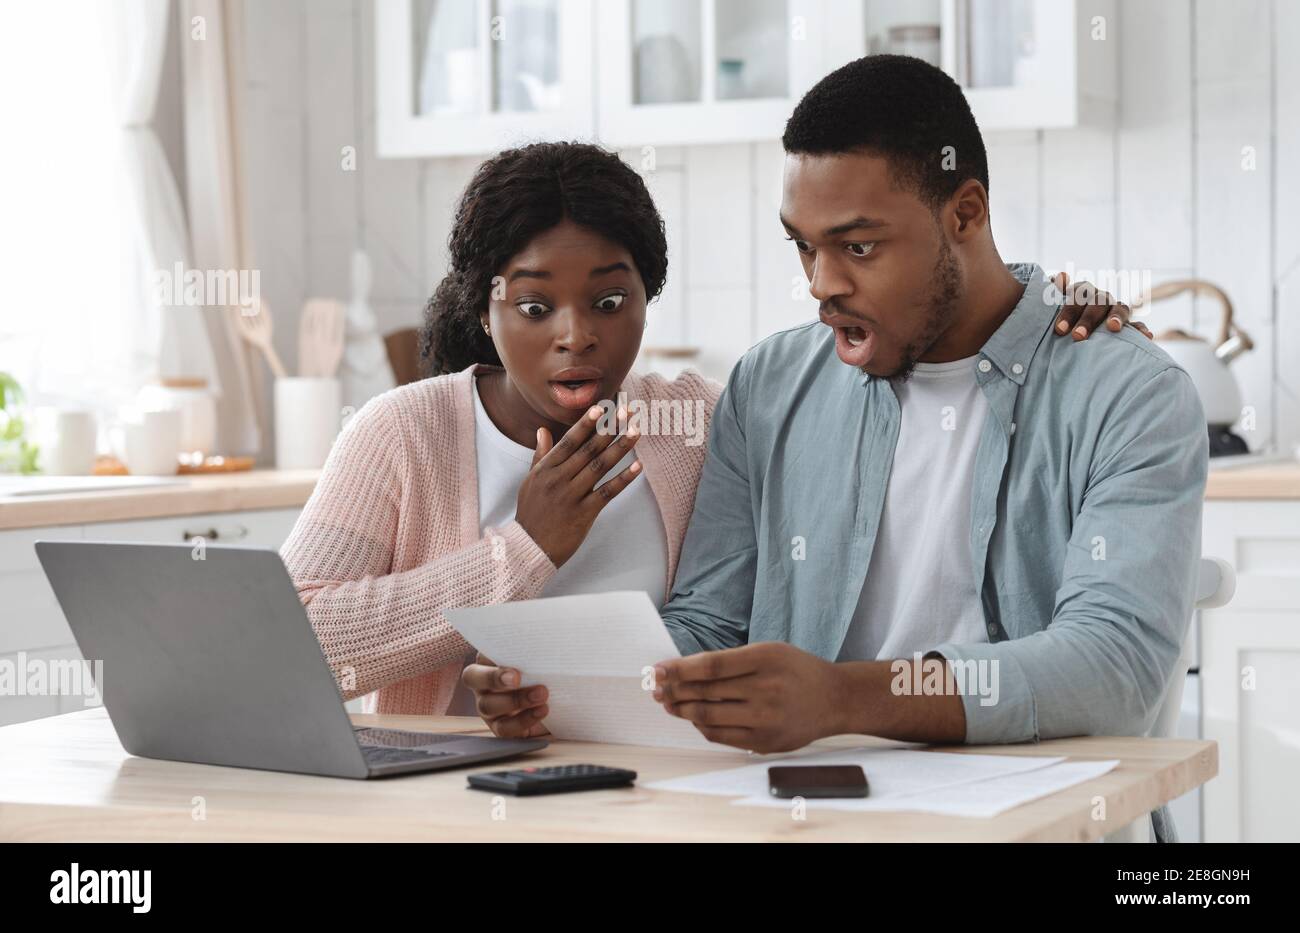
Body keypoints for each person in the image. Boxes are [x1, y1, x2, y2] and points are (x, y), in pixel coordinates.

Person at [465, 58, 1206, 843]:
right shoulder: (771, 383)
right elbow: (710, 624)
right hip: (795, 817)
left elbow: (1112, 665)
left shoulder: (1127, 394)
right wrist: (561, 686)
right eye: (804, 248)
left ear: (967, 212)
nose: (821, 283)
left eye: (857, 247)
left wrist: (843, 698)